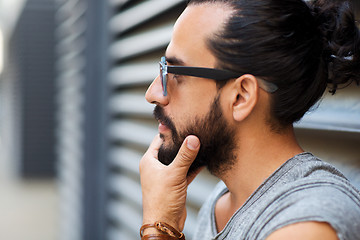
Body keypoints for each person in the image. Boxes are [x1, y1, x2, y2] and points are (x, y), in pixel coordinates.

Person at [139, 0, 360, 239]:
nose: (153, 94)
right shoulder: (223, 199)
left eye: (174, 74)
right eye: (163, 70)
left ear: (241, 96)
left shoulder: (305, 226)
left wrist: (159, 227)